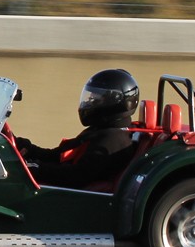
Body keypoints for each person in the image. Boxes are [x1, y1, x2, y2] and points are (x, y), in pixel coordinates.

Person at [9, 68, 140, 189]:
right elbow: (58, 155)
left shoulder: (113, 140)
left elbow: (77, 176)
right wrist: (22, 146)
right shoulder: (102, 130)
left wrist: (34, 168)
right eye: (90, 97)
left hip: (71, 199)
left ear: (114, 101)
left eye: (96, 98)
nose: (90, 102)